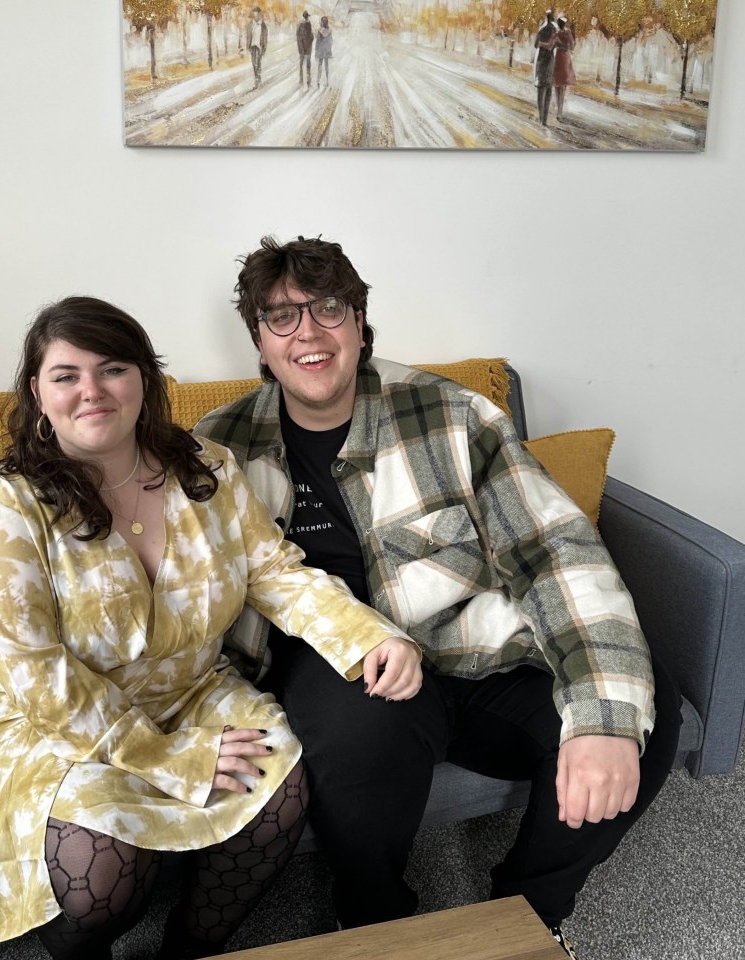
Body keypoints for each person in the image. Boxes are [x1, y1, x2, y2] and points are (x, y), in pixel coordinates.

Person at [195, 236, 683, 959]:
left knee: (645, 709)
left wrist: (605, 712)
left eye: (329, 308)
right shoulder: (219, 448)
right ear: (260, 344)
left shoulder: (454, 416)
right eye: (282, 317)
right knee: (359, 733)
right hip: (349, 673)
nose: (309, 332)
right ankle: (372, 919)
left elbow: (553, 554)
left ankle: (525, 915)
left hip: (475, 654)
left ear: (360, 323)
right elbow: (190, 602)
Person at [0, 296, 422, 960]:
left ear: (144, 380)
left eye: (112, 369)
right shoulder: (3, 505)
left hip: (189, 692)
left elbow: (276, 572)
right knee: (97, 871)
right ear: (38, 393)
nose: (91, 391)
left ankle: (191, 945)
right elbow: (36, 675)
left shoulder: (205, 469)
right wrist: (170, 760)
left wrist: (372, 635)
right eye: (66, 376)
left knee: (278, 782)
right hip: (42, 719)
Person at [534, 9, 558, 125]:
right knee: (548, 90)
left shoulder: (541, 30)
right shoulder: (554, 30)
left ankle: (540, 117)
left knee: (540, 91)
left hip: (541, 60)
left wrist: (542, 44)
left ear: (546, 17)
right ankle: (544, 120)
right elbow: (554, 45)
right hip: (550, 61)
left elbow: (535, 45)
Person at [552, 15, 576, 121]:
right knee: (562, 87)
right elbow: (572, 46)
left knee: (557, 86)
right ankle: (559, 112)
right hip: (565, 58)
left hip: (558, 57)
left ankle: (559, 111)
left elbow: (551, 45)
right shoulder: (568, 33)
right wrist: (566, 47)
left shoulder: (556, 34)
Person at [246, 5, 268, 89]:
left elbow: (265, 36)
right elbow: (248, 36)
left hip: (259, 46)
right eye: (254, 13)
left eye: (257, 13)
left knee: (258, 63)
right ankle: (256, 77)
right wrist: (248, 45)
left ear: (259, 14)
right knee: (253, 63)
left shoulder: (263, 24)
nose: (256, 14)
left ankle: (258, 79)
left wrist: (264, 47)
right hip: (252, 46)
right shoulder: (250, 24)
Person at [297, 11, 313, 88]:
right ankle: (304, 79)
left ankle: (306, 80)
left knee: (306, 64)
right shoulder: (302, 24)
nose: (307, 18)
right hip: (304, 48)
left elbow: (310, 35)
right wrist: (301, 48)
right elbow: (299, 37)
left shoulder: (307, 24)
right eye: (307, 16)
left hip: (306, 48)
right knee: (304, 64)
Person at [315, 16, 333, 88]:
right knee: (326, 66)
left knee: (320, 65)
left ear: (322, 22)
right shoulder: (330, 30)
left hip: (321, 50)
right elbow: (331, 40)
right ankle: (327, 81)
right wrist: (329, 48)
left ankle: (318, 81)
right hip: (327, 50)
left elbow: (318, 41)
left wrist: (316, 50)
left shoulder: (319, 30)